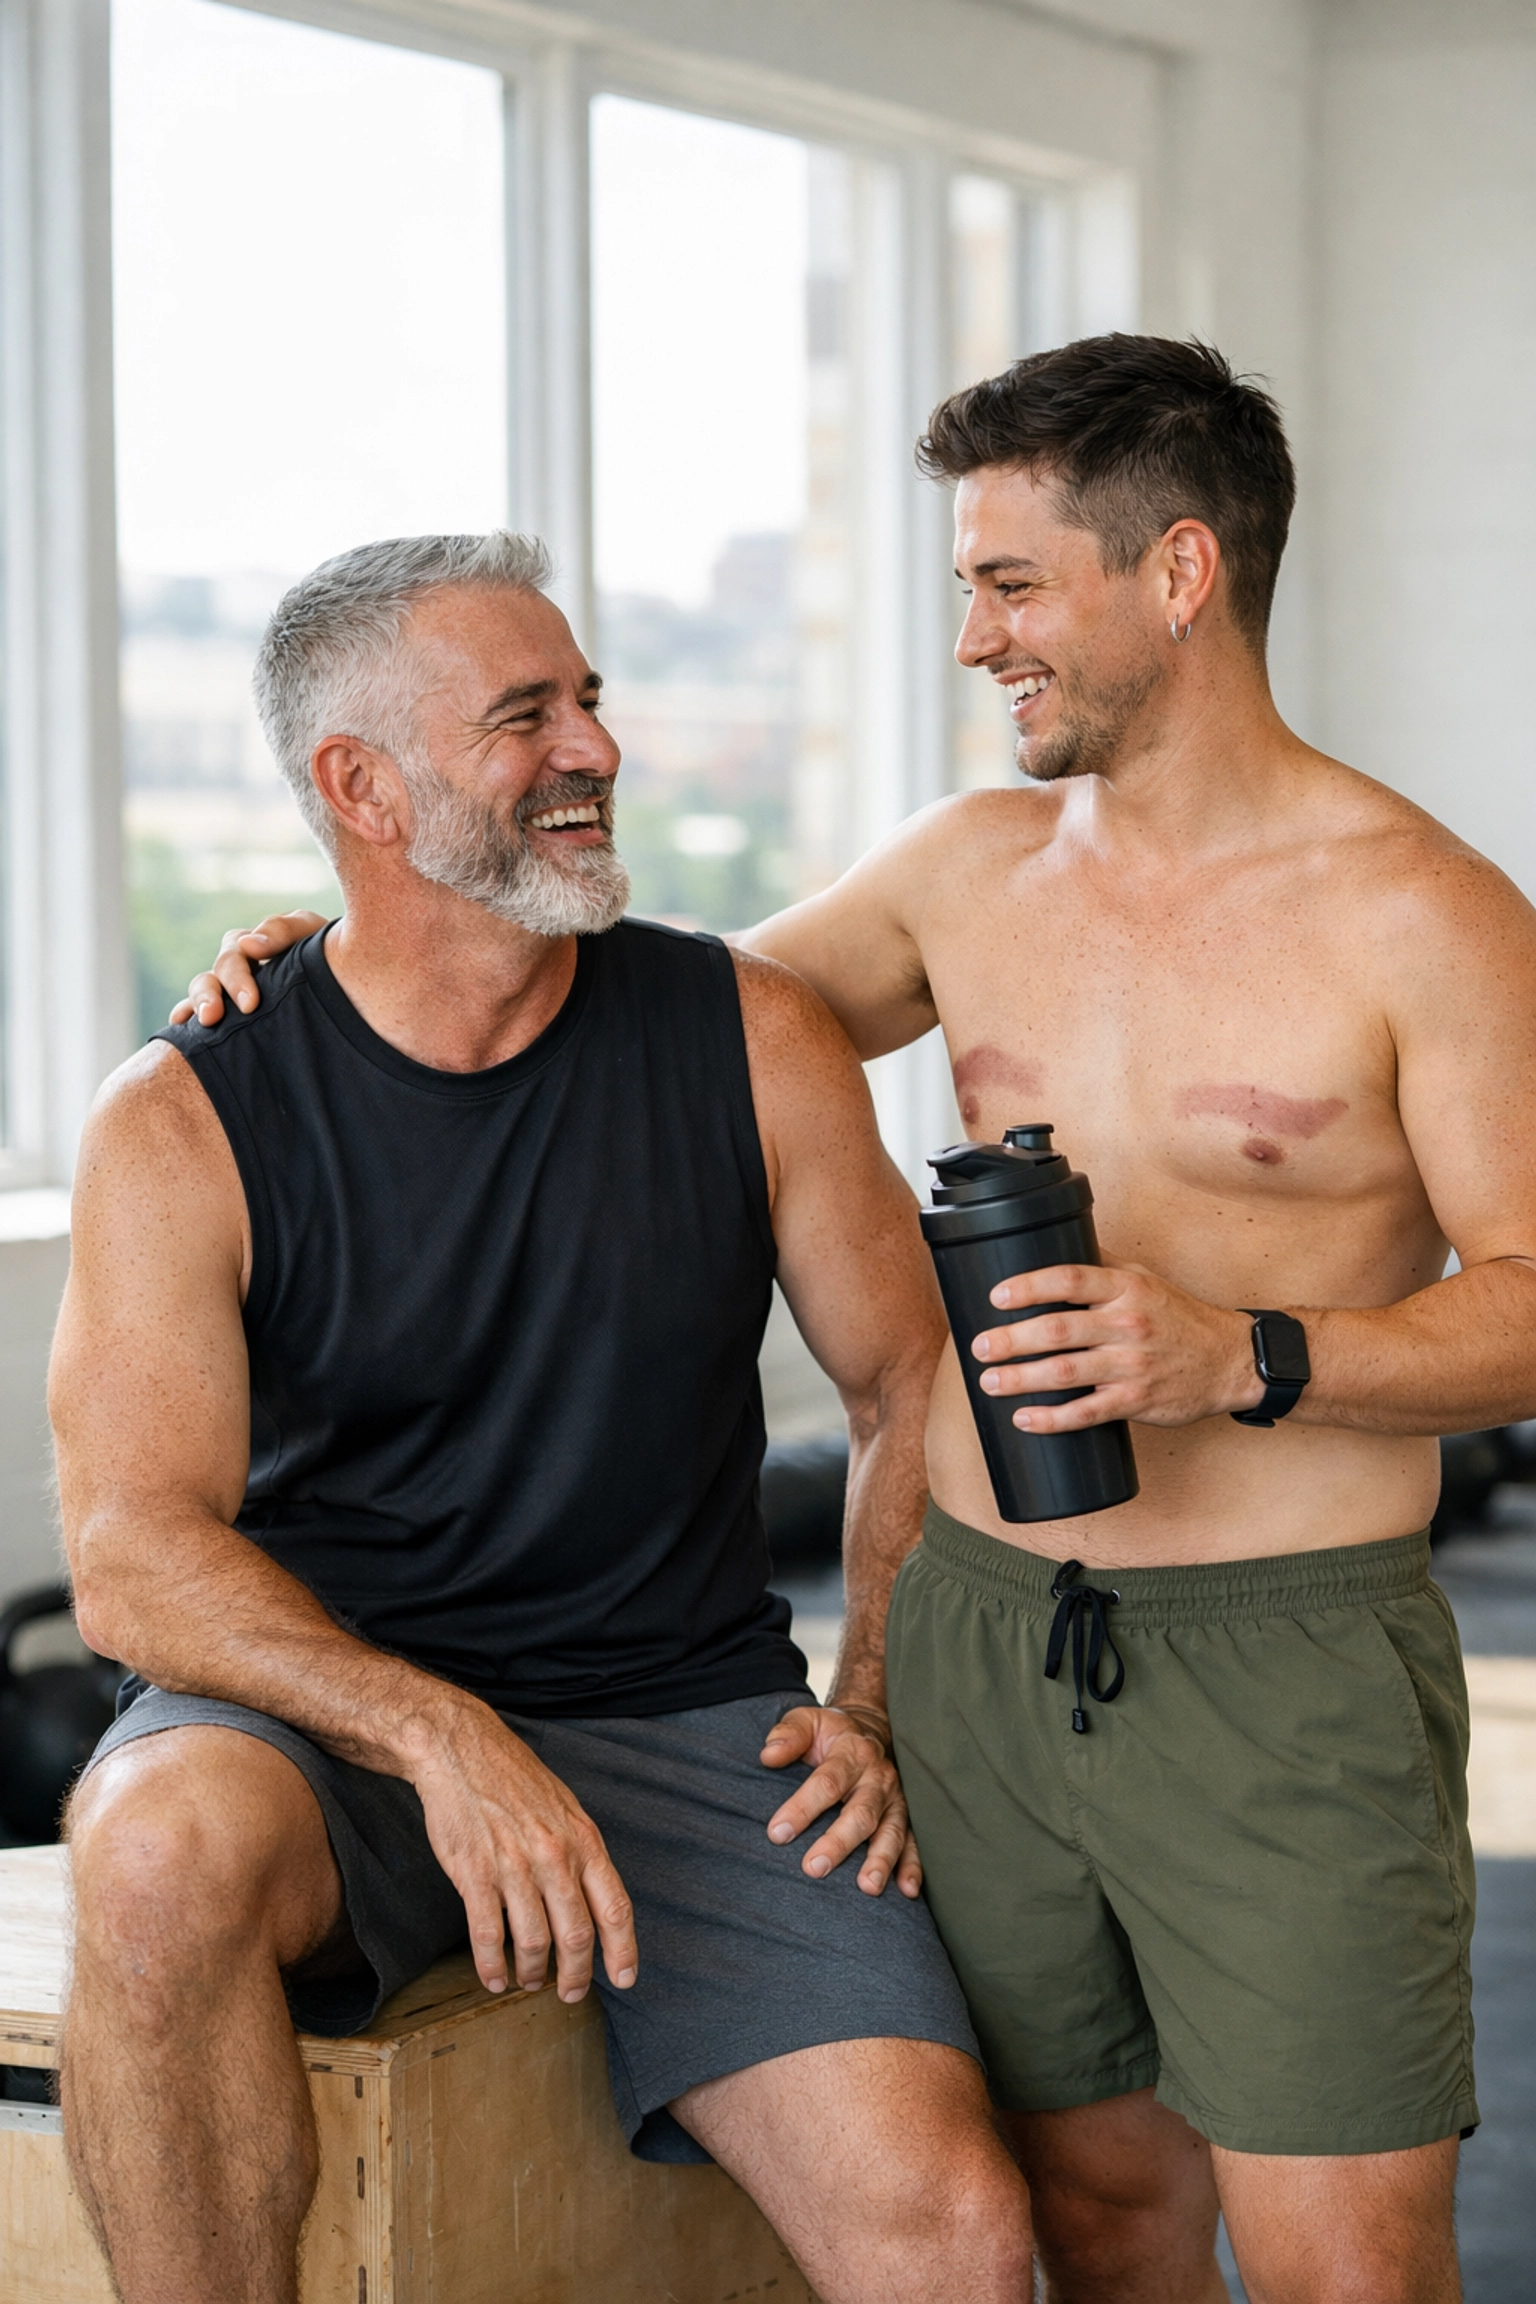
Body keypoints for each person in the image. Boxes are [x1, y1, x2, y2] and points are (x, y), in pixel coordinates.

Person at [198, 338, 1536, 2304]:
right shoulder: (964, 873)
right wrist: (330, 947)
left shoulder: (1424, 911)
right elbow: (623, 1019)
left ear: (1177, 574)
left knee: (1351, 2264)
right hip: (990, 1662)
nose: (977, 638)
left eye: (1012, 584)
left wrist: (1247, 1352)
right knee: (1093, 2222)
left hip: (1278, 1668)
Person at [53, 531, 1034, 2304]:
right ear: (363, 785)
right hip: (328, 1736)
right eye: (528, 716)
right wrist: (437, 1736)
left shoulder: (750, 1033)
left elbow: (911, 1386)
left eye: (587, 698)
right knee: (151, 1858)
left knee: (954, 2236)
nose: (593, 748)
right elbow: (132, 1557)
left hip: (682, 1716)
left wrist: (871, 1693)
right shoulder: (183, 1117)